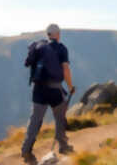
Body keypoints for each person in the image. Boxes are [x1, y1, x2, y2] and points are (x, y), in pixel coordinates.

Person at [21, 24, 75, 163]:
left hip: (38, 89)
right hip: (55, 90)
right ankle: (63, 146)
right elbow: (66, 70)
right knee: (60, 117)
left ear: (48, 34)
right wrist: (70, 87)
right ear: (57, 34)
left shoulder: (38, 47)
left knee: (35, 120)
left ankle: (26, 151)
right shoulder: (61, 48)